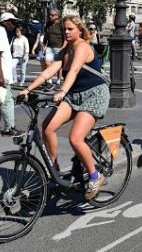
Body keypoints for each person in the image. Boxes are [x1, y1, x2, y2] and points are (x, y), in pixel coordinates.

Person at [18, 15, 110, 199]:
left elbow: (75, 70)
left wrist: (61, 91)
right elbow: (49, 71)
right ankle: (54, 170)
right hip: (74, 95)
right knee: (48, 127)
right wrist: (27, 89)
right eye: (64, 30)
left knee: (75, 138)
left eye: (70, 29)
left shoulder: (83, 46)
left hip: (94, 94)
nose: (66, 32)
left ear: (79, 29)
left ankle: (95, 176)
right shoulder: (65, 50)